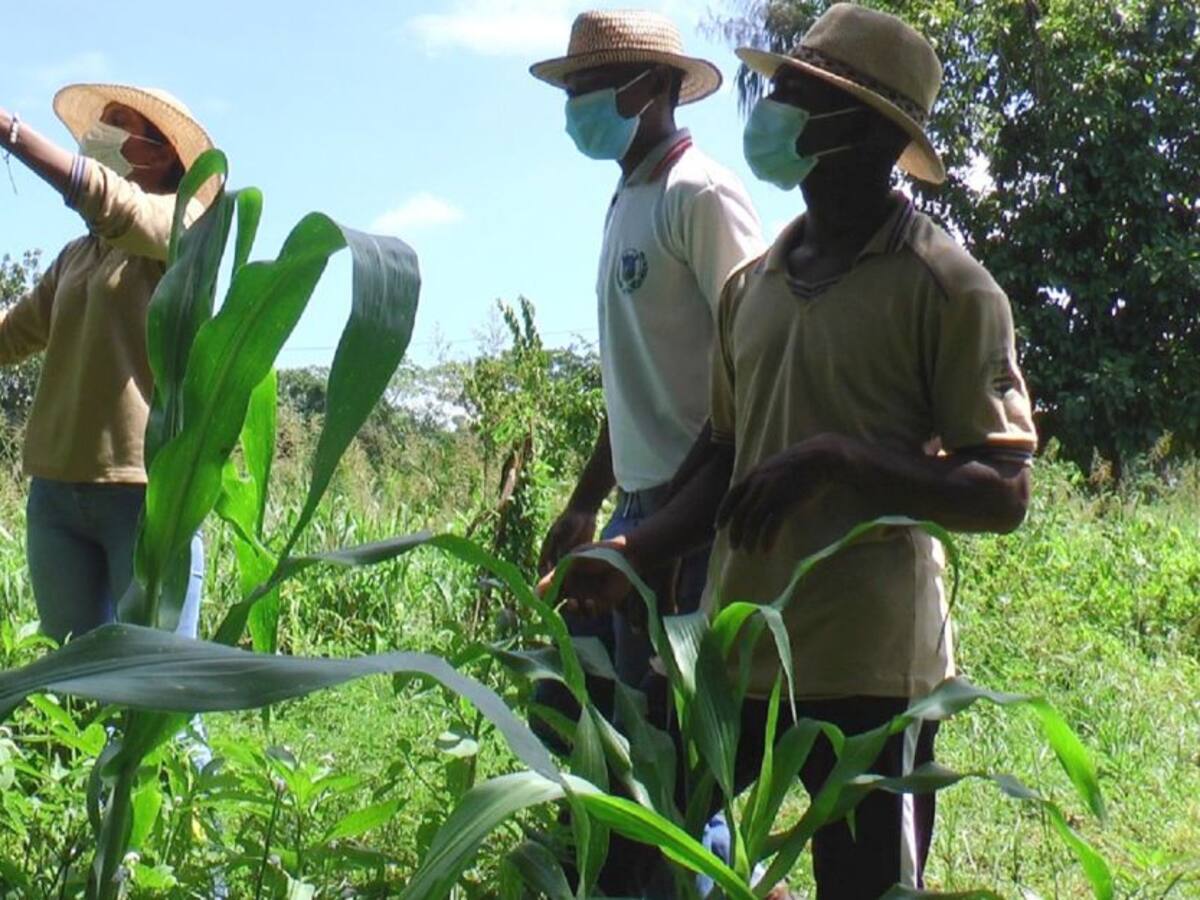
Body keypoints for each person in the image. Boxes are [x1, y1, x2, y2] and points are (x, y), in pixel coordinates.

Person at [548, 4, 1039, 896]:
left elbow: (1003, 490)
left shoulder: (947, 288)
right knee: (634, 848)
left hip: (869, 673)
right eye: (785, 90)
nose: (772, 113)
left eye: (805, 98)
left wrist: (842, 461)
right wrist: (632, 550)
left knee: (862, 883)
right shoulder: (755, 288)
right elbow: (726, 461)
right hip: (735, 654)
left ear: (871, 133)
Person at [530, 10, 764, 896]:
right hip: (637, 511)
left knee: (683, 766)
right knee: (628, 751)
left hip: (692, 520)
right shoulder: (626, 200)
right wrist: (589, 499)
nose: (580, 105)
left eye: (594, 88)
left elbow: (752, 357)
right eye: (575, 89)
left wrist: (662, 530)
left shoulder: (698, 197)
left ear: (653, 90)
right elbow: (628, 377)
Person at [0, 84, 216, 643]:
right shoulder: (78, 256)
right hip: (55, 491)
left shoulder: (183, 227)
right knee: (76, 684)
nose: (103, 135)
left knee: (161, 694)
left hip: (145, 495)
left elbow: (113, 204)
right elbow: (11, 335)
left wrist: (12, 134)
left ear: (162, 150)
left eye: (119, 123)